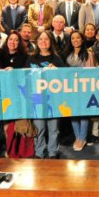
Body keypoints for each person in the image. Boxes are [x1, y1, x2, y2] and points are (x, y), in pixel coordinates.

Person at [27, 31, 66, 159]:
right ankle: (39, 152)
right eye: (41, 39)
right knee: (40, 128)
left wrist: (57, 71)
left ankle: (53, 152)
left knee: (54, 129)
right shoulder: (32, 58)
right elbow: (23, 76)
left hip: (53, 100)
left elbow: (65, 79)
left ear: (51, 42)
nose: (43, 42)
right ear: (37, 42)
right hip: (37, 100)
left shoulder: (57, 59)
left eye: (46, 39)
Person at [65, 31, 95, 151]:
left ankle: (82, 137)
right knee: (73, 113)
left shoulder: (89, 54)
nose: (75, 40)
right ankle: (78, 136)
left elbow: (92, 72)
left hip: (84, 88)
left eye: (78, 38)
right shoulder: (67, 54)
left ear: (82, 40)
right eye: (73, 38)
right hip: (70, 88)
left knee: (83, 113)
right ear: (70, 41)